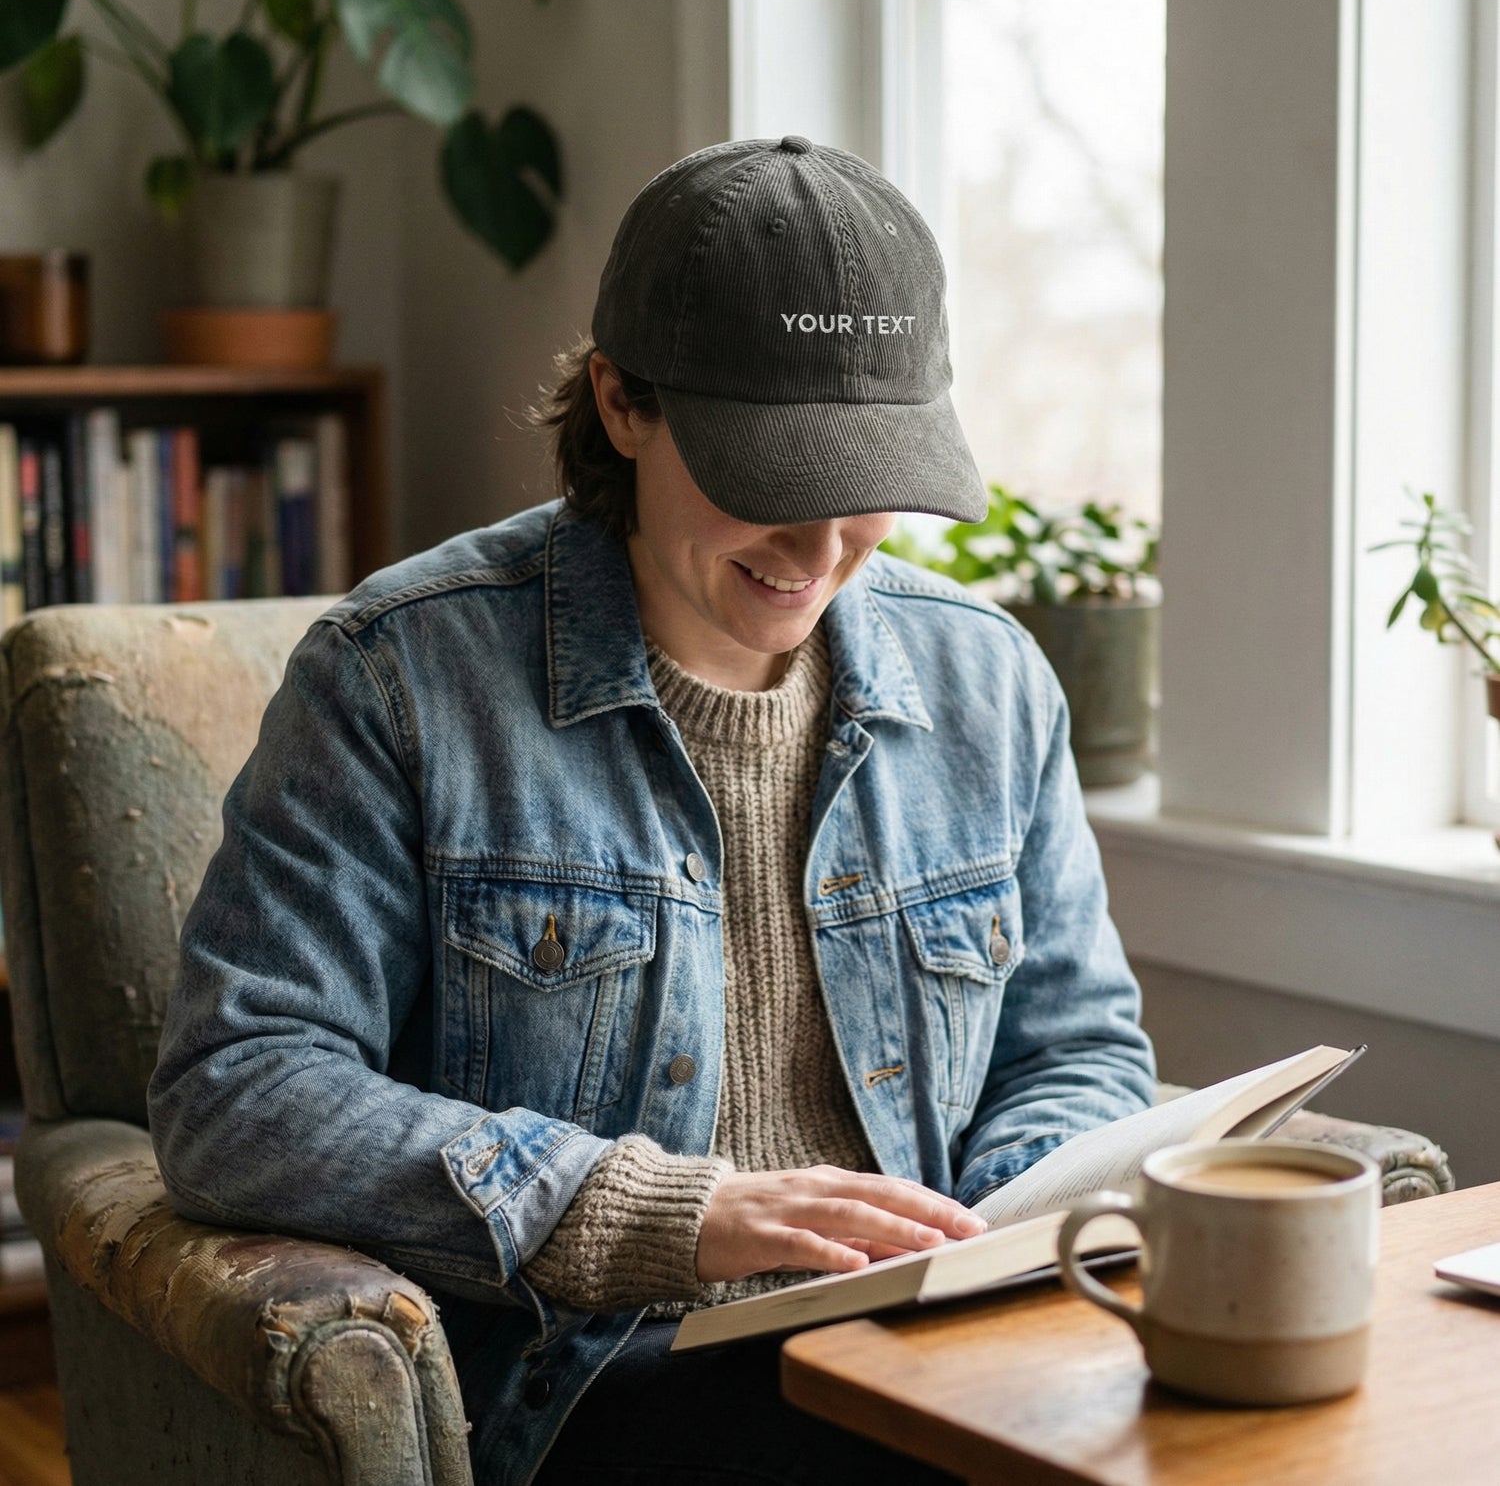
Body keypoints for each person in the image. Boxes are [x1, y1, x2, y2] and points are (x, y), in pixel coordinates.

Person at [147, 134, 1157, 1486]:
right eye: (772, 478)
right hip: (600, 1380)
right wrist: (669, 1214)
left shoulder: (988, 681)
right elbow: (241, 1090)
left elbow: (1079, 1050)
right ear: (623, 405)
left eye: (864, 483)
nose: (819, 551)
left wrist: (988, 1221)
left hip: (938, 1346)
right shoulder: (399, 678)